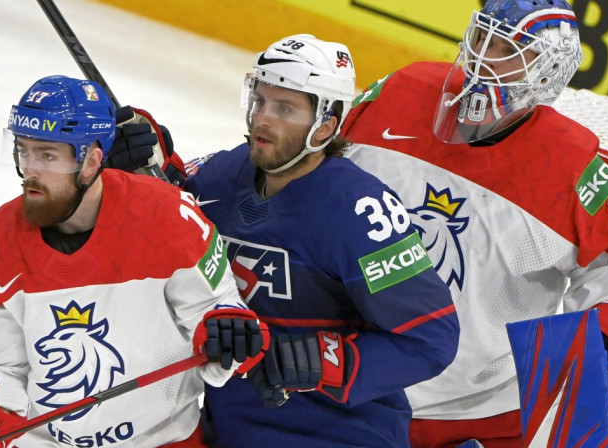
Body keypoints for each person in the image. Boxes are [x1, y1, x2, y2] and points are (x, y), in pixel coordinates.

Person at [338, 0, 608, 446]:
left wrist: (600, 350)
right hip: (347, 377)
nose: (483, 58)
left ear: (548, 68)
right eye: (483, 39)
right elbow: (310, 164)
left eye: (507, 48)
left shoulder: (569, 164)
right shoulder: (403, 91)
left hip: (483, 414)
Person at [115, 34, 460, 447]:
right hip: (228, 426)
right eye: (259, 101)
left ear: (326, 125)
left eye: (284, 108)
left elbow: (430, 338)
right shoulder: (225, 175)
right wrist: (146, 162)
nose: (262, 118)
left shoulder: (360, 210)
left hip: (339, 436)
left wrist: (329, 361)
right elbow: (171, 213)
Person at [0, 75, 265, 448]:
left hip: (163, 440)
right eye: (24, 151)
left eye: (48, 155)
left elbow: (217, 309)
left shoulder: (167, 218)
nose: (30, 170)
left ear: (91, 161)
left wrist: (228, 331)